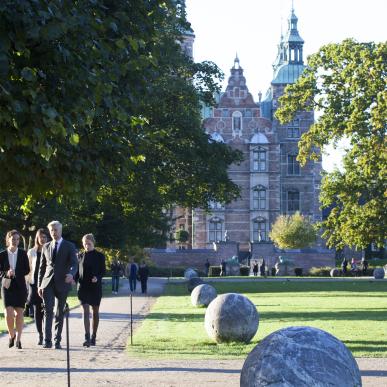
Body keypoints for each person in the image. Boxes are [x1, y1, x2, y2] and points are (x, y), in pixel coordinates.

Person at [38, 220, 78, 349]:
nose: (54, 232)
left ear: (60, 231)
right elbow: (42, 267)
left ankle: (57, 340)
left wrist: (71, 274)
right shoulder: (46, 246)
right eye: (51, 230)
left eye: (56, 230)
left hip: (63, 282)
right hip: (47, 282)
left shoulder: (69, 246)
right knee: (48, 310)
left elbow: (74, 264)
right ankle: (47, 340)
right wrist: (40, 285)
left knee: (59, 312)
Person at [0, 230, 30, 349]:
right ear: (8, 240)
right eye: (13, 239)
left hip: (20, 286)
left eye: (17, 239)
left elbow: (27, 269)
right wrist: (7, 272)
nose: (15, 241)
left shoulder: (23, 253)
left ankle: (18, 339)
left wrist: (16, 272)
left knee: (19, 313)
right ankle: (11, 335)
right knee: (8, 313)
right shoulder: (2, 254)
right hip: (7, 286)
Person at [76, 234, 106, 347]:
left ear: (93, 243)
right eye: (85, 244)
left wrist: (97, 277)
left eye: (89, 244)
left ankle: (94, 336)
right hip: (83, 287)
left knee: (95, 311)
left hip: (95, 286)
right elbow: (77, 271)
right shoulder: (80, 255)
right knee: (85, 311)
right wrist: (73, 279)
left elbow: (103, 271)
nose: (87, 246)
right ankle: (87, 337)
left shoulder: (100, 256)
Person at [27, 228, 48, 345]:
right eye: (41, 237)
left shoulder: (50, 250)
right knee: (37, 311)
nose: (43, 239)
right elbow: (27, 269)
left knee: (47, 310)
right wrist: (27, 283)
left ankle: (47, 334)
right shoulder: (31, 252)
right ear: (37, 238)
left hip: (47, 284)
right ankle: (40, 334)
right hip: (34, 284)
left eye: (45, 237)